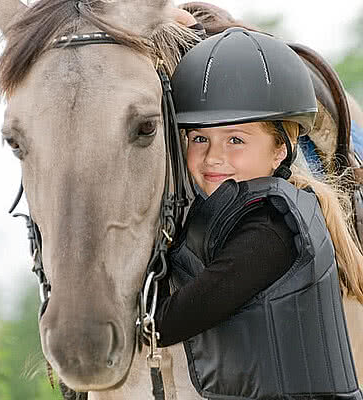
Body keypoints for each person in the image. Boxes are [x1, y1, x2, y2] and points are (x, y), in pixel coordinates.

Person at [151, 27, 363, 400]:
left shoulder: (272, 230)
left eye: (236, 139)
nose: (213, 156)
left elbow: (169, 322)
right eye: (200, 138)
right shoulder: (236, 215)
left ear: (280, 149)